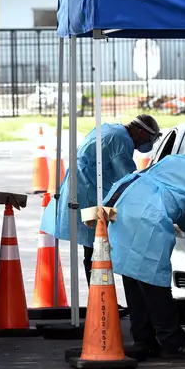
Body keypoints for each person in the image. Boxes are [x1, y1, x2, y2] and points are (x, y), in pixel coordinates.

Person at [98, 141, 185, 360]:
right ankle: (173, 342)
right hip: (146, 216)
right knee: (155, 282)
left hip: (128, 209)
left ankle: (144, 341)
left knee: (136, 281)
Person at [41, 114, 161, 287]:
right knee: (97, 245)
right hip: (90, 194)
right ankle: (100, 298)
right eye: (150, 138)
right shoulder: (121, 140)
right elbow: (127, 177)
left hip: (84, 188)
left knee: (95, 246)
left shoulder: (110, 129)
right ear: (140, 131)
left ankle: (99, 297)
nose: (148, 143)